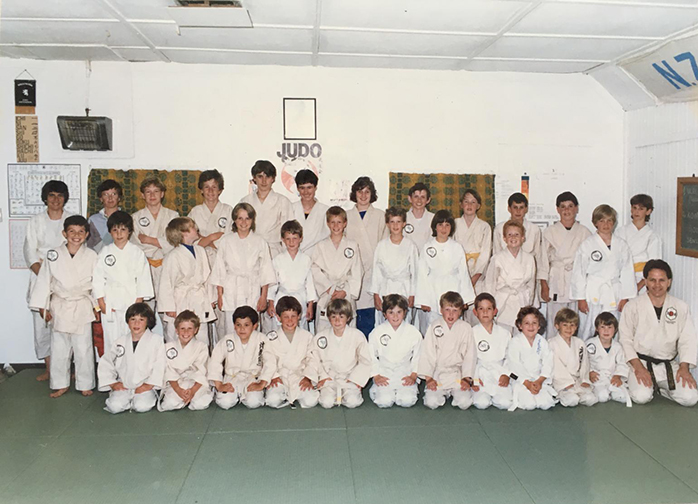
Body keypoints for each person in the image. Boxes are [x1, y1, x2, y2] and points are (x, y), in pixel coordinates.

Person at [29, 216, 98, 398]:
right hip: (60, 304)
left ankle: (85, 383)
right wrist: (43, 307)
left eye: (81, 231)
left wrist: (97, 307)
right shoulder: (53, 254)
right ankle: (60, 383)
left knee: (84, 348)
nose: (76, 235)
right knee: (59, 348)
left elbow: (98, 284)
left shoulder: (92, 256)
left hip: (82, 304)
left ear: (87, 234)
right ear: (64, 233)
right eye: (72, 231)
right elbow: (44, 280)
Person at [619, 260, 698, 407]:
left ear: (669, 282)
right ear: (646, 282)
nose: (657, 285)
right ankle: (640, 383)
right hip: (640, 362)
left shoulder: (680, 307)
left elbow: (688, 340)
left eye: (662, 280)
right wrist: (638, 367)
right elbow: (625, 339)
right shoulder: (633, 306)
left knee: (691, 398)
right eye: (652, 280)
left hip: (667, 364)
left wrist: (684, 367)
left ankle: (662, 390)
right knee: (641, 397)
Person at [24, 180, 72, 381]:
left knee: (64, 325)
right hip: (40, 276)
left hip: (66, 278)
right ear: (45, 198)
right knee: (42, 327)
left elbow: (77, 249)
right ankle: (50, 369)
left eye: (60, 196)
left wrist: (60, 277)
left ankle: (65, 371)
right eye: (51, 195)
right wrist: (44, 276)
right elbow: (29, 252)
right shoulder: (35, 221)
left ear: (65, 198)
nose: (55, 200)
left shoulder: (71, 220)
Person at [93, 211, 154, 357]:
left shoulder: (136, 252)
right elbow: (98, 278)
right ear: (110, 232)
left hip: (131, 300)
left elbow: (142, 278)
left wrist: (138, 302)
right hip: (111, 301)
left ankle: (131, 375)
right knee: (111, 340)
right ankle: (112, 376)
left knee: (132, 339)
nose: (119, 234)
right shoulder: (104, 252)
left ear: (130, 231)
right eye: (115, 230)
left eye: (123, 229)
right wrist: (100, 301)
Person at [570, 204, 636, 340]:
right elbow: (579, 272)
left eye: (609, 220)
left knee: (612, 327)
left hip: (614, 292)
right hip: (592, 292)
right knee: (588, 328)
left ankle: (612, 358)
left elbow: (627, 271)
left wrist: (625, 297)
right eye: (602, 221)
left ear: (614, 222)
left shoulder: (622, 245)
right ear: (595, 223)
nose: (606, 224)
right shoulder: (588, 244)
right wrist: (580, 298)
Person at [209, 202, 275, 335]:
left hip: (252, 290)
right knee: (231, 328)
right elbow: (220, 269)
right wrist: (220, 296)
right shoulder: (226, 241)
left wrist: (263, 297)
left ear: (252, 220)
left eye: (247, 218)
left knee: (251, 329)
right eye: (240, 218)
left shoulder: (260, 241)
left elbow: (266, 270)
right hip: (231, 290)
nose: (243, 222)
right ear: (234, 220)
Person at [97, 302, 165, 414]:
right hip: (124, 384)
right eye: (133, 319)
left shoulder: (157, 341)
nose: (136, 323)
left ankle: (139, 398)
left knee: (141, 406)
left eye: (141, 319)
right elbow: (106, 362)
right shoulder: (120, 341)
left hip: (145, 385)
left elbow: (160, 365)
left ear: (148, 321)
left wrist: (149, 385)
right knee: (114, 407)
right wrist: (113, 383)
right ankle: (125, 398)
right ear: (127, 321)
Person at [539, 191, 591, 336]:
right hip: (556, 280)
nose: (566, 210)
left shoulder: (584, 233)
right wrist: (544, 285)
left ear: (576, 208)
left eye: (570, 206)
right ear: (557, 209)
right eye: (563, 207)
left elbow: (589, 264)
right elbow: (543, 260)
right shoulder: (549, 232)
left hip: (577, 281)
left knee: (574, 323)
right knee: (555, 321)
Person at [158, 217, 216, 343]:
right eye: (193, 227)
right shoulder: (173, 256)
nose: (197, 229)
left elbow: (208, 276)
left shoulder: (200, 250)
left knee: (201, 335)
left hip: (198, 297)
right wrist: (169, 307)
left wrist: (210, 298)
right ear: (183, 232)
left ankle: (201, 361)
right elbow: (166, 283)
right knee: (179, 334)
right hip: (180, 300)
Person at [306, 299, 372, 409]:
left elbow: (365, 360)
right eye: (333, 317)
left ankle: (347, 393)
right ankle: (329, 392)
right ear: (328, 318)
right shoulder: (321, 337)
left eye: (341, 317)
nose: (337, 321)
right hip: (329, 378)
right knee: (327, 403)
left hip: (349, 377)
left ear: (348, 318)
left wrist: (356, 379)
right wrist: (322, 377)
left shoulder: (357, 335)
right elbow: (313, 359)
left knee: (352, 402)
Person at [416, 210, 475, 328]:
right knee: (433, 326)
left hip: (453, 288)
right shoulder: (428, 247)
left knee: (454, 325)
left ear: (451, 227)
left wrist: (465, 298)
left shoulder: (457, 247)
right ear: (435, 227)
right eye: (440, 225)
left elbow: (463, 273)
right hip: (433, 290)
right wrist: (424, 300)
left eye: (447, 225)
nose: (444, 228)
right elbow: (422, 274)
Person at [418, 292, 476, 410]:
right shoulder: (434, 326)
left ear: (461, 311)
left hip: (457, 374)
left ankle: (455, 392)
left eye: (455, 310)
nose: (451, 314)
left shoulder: (465, 328)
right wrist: (429, 378)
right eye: (447, 309)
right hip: (438, 374)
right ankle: (441, 393)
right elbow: (427, 352)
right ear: (441, 310)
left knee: (464, 403)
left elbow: (470, 354)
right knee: (432, 403)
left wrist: (466, 378)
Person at [345, 176, 388, 337]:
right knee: (350, 318)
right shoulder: (346, 216)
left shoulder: (380, 216)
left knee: (369, 319)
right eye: (359, 191)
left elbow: (385, 246)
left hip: (372, 274)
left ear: (372, 194)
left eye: (367, 191)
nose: (363, 195)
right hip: (352, 273)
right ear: (354, 193)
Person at [258, 296, 319, 408]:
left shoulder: (307, 336)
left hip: (299, 375)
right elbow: (268, 359)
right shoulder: (271, 337)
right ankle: (283, 394)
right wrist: (273, 376)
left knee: (310, 401)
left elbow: (313, 359)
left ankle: (292, 394)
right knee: (272, 401)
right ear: (278, 317)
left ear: (299, 316)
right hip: (279, 376)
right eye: (285, 317)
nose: (290, 321)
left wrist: (308, 377)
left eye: (293, 316)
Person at [311, 206, 363, 332]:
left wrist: (345, 290)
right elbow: (314, 269)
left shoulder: (352, 245)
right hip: (328, 293)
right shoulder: (320, 246)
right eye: (332, 222)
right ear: (328, 223)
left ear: (345, 223)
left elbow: (357, 272)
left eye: (339, 222)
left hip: (345, 292)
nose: (336, 226)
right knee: (325, 329)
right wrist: (329, 288)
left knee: (347, 331)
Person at [368, 294, 422, 408]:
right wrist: (376, 375)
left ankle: (403, 392)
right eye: (391, 312)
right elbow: (370, 355)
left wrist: (413, 375)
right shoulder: (377, 332)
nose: (395, 316)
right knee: (384, 402)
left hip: (405, 373)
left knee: (407, 401)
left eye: (399, 312)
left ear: (405, 312)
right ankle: (379, 391)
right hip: (384, 373)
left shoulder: (413, 332)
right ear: (384, 314)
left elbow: (418, 355)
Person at [130, 177, 179, 303]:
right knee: (145, 311)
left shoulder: (173, 216)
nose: (152, 195)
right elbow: (136, 244)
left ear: (162, 194)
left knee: (169, 308)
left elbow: (175, 242)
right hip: (145, 266)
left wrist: (149, 240)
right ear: (142, 195)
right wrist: (160, 243)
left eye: (156, 191)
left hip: (168, 265)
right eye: (148, 192)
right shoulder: (135, 218)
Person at [208, 306, 266, 409]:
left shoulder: (261, 339)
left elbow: (270, 362)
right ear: (234, 326)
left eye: (246, 325)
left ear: (255, 326)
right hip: (232, 378)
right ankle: (236, 395)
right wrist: (219, 385)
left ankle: (245, 395)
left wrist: (262, 383)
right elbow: (215, 361)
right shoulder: (228, 339)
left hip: (252, 378)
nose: (242, 329)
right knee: (225, 403)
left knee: (254, 402)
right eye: (238, 325)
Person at [369, 207, 419, 326]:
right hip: (385, 289)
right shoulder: (381, 246)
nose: (395, 225)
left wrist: (412, 294)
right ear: (387, 224)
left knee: (404, 323)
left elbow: (415, 273)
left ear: (404, 224)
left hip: (404, 289)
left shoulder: (410, 245)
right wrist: (376, 294)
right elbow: (376, 272)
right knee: (385, 323)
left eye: (398, 222)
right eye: (392, 222)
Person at [483, 220, 536, 332]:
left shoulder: (529, 258)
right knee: (503, 337)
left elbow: (531, 284)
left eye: (517, 234)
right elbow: (490, 283)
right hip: (503, 302)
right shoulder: (497, 258)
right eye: (509, 235)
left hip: (521, 302)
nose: (513, 237)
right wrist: (490, 307)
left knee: (521, 337)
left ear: (523, 238)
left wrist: (529, 303)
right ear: (504, 238)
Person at [267, 220, 317, 331]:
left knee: (301, 329)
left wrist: (310, 305)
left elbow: (309, 284)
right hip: (282, 298)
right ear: (283, 240)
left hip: (300, 298)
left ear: (301, 239)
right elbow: (272, 284)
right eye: (288, 239)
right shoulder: (277, 260)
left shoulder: (306, 259)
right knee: (281, 329)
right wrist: (270, 303)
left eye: (294, 238)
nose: (291, 242)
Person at [158, 311, 213, 412]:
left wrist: (192, 391)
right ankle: (183, 398)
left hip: (195, 383)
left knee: (199, 404)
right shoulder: (168, 347)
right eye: (182, 328)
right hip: (177, 383)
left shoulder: (202, 347)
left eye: (190, 329)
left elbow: (201, 371)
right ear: (176, 330)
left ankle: (191, 397)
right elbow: (169, 371)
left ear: (196, 330)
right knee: (169, 405)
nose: (186, 332)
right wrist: (178, 390)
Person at [506, 306, 556, 411]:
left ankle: (537, 389)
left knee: (545, 404)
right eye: (527, 323)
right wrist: (527, 383)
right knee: (529, 405)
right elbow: (514, 365)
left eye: (534, 323)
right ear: (520, 326)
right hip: (521, 380)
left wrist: (540, 380)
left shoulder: (542, 342)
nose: (531, 326)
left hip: (538, 380)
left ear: (539, 326)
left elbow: (548, 362)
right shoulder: (515, 342)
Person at [240, 160, 293, 257]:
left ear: (273, 179)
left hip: (274, 251)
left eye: (267, 177)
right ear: (254, 178)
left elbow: (289, 233)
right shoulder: (245, 202)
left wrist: (286, 257)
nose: (264, 181)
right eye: (260, 177)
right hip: (249, 250)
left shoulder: (283, 201)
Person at [492, 193, 543, 292]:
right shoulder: (499, 229)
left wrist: (540, 283)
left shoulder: (534, 229)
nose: (518, 211)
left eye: (521, 207)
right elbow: (496, 256)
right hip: (505, 282)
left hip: (526, 282)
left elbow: (538, 258)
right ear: (509, 208)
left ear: (526, 209)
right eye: (515, 207)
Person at [471, 293, 513, 411]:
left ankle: (499, 394)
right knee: (481, 403)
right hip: (480, 374)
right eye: (481, 309)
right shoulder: (471, 333)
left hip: (499, 373)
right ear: (475, 312)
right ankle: (483, 395)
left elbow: (510, 358)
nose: (485, 312)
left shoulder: (505, 333)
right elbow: (469, 359)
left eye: (489, 309)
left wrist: (506, 375)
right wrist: (474, 379)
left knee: (505, 403)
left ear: (495, 311)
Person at [548, 308, 597, 407]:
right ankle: (564, 394)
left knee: (591, 399)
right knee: (572, 400)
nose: (569, 329)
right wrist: (566, 383)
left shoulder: (579, 343)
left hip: (577, 380)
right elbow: (555, 365)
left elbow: (584, 364)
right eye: (565, 325)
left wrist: (584, 379)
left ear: (576, 327)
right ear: (557, 325)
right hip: (561, 382)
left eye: (572, 325)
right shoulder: (551, 343)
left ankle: (577, 392)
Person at [615, 194, 662, 294]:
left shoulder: (652, 236)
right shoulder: (620, 232)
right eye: (634, 208)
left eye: (641, 209)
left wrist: (639, 286)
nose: (636, 211)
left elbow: (653, 265)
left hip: (642, 280)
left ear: (648, 211)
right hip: (621, 278)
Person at [188, 169, 233, 266]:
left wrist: (205, 240)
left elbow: (231, 238)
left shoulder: (228, 210)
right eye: (206, 187)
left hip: (222, 259)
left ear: (220, 190)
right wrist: (211, 238)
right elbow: (189, 239)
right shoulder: (195, 212)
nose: (210, 191)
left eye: (214, 187)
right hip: (199, 260)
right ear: (201, 190)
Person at [586, 312, 630, 405]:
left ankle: (612, 391)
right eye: (602, 327)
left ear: (615, 330)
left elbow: (622, 363)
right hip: (597, 377)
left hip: (612, 377)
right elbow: (584, 362)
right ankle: (604, 391)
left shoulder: (617, 346)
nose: (606, 331)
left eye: (609, 327)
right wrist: (589, 372)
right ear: (597, 329)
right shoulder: (590, 344)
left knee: (622, 397)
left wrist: (618, 376)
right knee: (602, 397)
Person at [453, 189, 492, 292]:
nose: (469, 205)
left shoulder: (484, 226)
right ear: (461, 204)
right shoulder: (454, 224)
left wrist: (476, 276)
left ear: (478, 206)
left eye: (473, 202)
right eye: (466, 201)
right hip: (458, 272)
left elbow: (485, 253)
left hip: (478, 274)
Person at [292, 169, 329, 254]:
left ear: (315, 187)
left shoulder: (325, 211)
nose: (306, 192)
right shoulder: (290, 208)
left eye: (309, 187)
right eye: (302, 188)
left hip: (317, 258)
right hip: (295, 258)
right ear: (297, 189)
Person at [87, 179, 122, 252]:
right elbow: (89, 246)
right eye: (106, 194)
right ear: (101, 199)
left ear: (119, 198)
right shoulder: (93, 220)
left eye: (114, 194)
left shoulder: (126, 218)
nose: (110, 198)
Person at [404, 182, 434, 252]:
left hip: (428, 259)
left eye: (423, 197)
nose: (419, 200)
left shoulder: (434, 218)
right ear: (410, 198)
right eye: (416, 196)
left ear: (428, 200)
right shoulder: (402, 218)